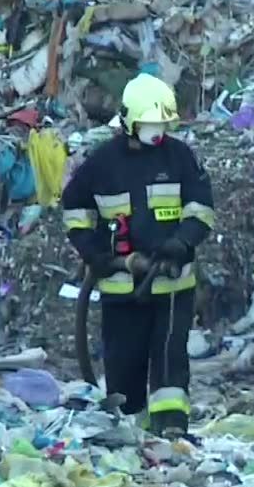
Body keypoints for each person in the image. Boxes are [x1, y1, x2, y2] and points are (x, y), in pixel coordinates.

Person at [61, 73, 215, 437]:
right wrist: (94, 253)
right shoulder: (101, 164)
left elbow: (201, 209)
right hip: (119, 286)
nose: (157, 131)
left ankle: (171, 427)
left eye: (162, 123)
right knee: (123, 364)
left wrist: (182, 243)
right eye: (150, 124)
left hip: (172, 281)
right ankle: (128, 430)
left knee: (169, 360)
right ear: (130, 120)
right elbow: (74, 210)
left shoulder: (179, 157)